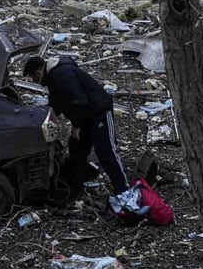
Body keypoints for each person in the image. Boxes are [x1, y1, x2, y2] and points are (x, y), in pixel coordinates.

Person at [23, 55, 129, 195]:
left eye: (33, 78)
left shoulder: (62, 75)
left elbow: (79, 101)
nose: (35, 81)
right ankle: (77, 181)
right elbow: (58, 101)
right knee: (76, 147)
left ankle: (124, 190)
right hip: (85, 114)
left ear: (38, 73)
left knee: (106, 151)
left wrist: (76, 126)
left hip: (99, 111)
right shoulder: (54, 77)